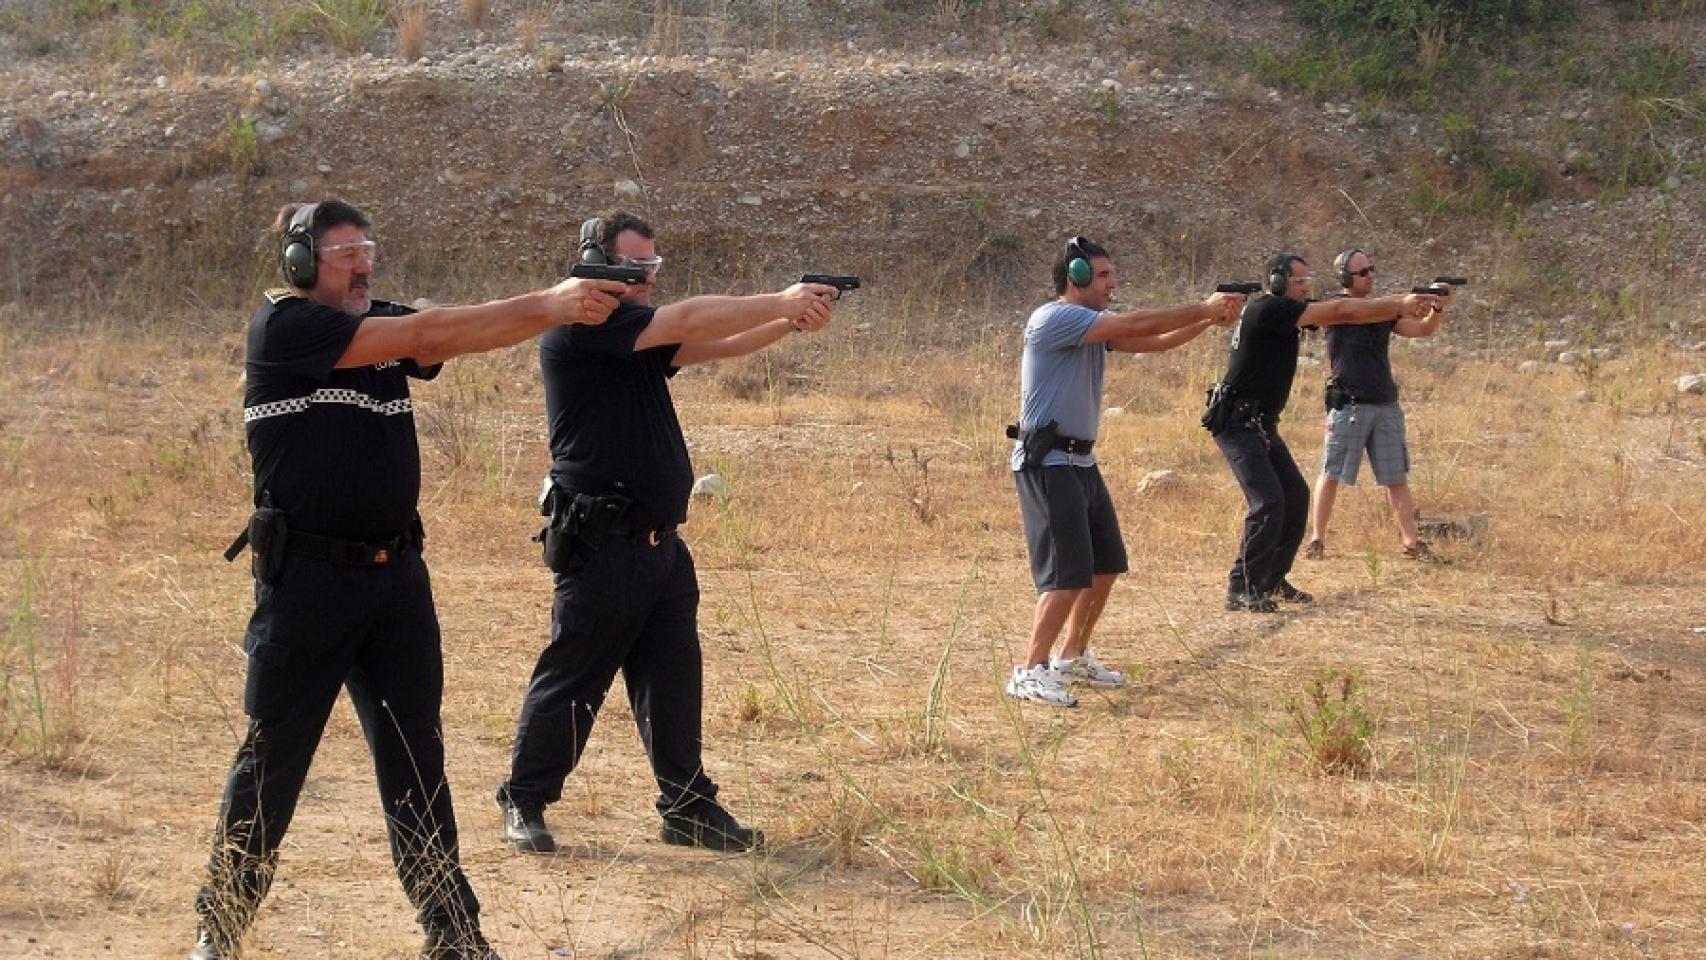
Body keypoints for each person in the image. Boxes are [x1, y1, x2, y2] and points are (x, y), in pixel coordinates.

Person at [189, 200, 627, 960]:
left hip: (395, 581)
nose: (363, 263)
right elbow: (425, 334)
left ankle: (453, 934)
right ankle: (219, 928)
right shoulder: (286, 329)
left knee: (416, 761)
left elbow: (451, 328)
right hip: (309, 586)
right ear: (298, 265)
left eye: (367, 248)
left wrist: (563, 306)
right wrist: (552, 304)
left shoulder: (379, 324)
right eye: (343, 252)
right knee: (273, 759)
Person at [495, 211, 836, 853]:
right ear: (594, 265)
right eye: (633, 269)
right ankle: (525, 797)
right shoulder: (582, 325)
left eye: (651, 267)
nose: (646, 279)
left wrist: (785, 322)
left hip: (658, 545)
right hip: (602, 543)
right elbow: (685, 321)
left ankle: (686, 807)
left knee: (674, 679)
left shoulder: (632, 332)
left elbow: (717, 342)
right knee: (574, 677)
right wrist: (781, 301)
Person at [1005, 235, 1243, 707]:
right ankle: (1029, 669)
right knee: (1068, 575)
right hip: (1049, 462)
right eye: (1104, 275)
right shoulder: (1055, 318)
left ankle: (1071, 658)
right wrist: (1202, 306)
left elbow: (1152, 340)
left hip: (1080, 461)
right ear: (1075, 278)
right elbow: (1137, 321)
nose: (1113, 283)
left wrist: (1206, 319)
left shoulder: (1088, 326)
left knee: (1105, 565)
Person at [1206, 253, 1439, 613]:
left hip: (1261, 424)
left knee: (1295, 498)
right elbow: (1341, 313)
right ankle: (1242, 587)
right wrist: (1399, 304)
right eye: (1299, 281)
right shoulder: (1269, 309)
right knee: (1268, 502)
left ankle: (1271, 579)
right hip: (1237, 423)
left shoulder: (1286, 310)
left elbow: (1350, 312)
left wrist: (1417, 308)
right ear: (1278, 282)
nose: (1306, 286)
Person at [1304, 249, 1449, 562]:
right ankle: (1316, 538)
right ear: (1345, 278)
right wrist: (1401, 304)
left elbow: (1422, 329)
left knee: (1395, 477)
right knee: (1330, 473)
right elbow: (1350, 311)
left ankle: (1411, 542)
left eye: (1371, 269)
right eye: (1362, 272)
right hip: (1349, 404)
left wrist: (1436, 309)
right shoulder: (1334, 308)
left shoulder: (1385, 310)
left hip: (1384, 403)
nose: (1370, 276)